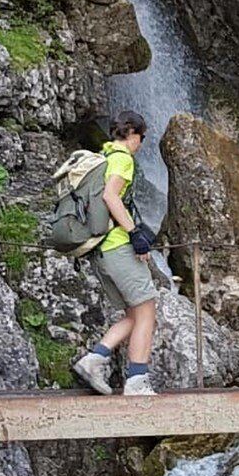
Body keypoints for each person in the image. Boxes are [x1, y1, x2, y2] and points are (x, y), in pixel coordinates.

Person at [72, 111, 158, 396]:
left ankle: (94, 359)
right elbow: (111, 197)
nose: (141, 144)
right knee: (147, 311)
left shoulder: (104, 156)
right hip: (117, 246)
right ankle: (137, 380)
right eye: (141, 138)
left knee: (134, 313)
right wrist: (135, 234)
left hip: (100, 251)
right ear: (132, 134)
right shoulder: (122, 159)